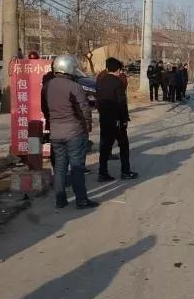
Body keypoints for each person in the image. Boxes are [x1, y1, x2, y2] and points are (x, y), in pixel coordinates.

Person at [45, 55, 98, 209]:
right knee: (77, 167)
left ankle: (60, 199)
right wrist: (87, 127)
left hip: (56, 132)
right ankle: (81, 200)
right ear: (68, 68)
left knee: (60, 167)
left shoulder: (47, 86)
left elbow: (45, 108)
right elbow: (84, 110)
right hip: (74, 132)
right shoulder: (74, 86)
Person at [96, 57, 139, 182]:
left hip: (104, 118)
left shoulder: (100, 81)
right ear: (118, 70)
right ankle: (125, 171)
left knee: (104, 146)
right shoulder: (118, 83)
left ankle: (102, 173)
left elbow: (98, 102)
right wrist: (124, 119)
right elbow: (121, 104)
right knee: (124, 145)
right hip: (117, 120)